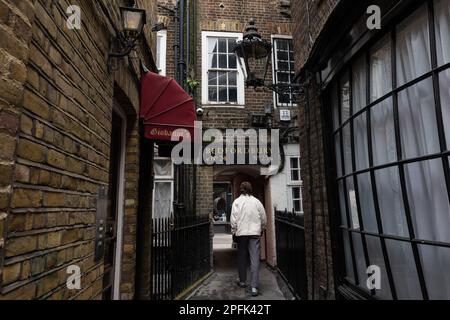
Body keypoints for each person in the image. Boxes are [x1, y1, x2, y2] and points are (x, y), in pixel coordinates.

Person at [230, 182, 267, 297]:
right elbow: (264, 217)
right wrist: (262, 228)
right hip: (254, 233)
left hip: (241, 233)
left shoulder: (236, 202)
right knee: (255, 259)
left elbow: (233, 219)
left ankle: (242, 281)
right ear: (250, 189)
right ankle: (254, 287)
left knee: (242, 256)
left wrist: (234, 231)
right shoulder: (257, 202)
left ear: (241, 189)